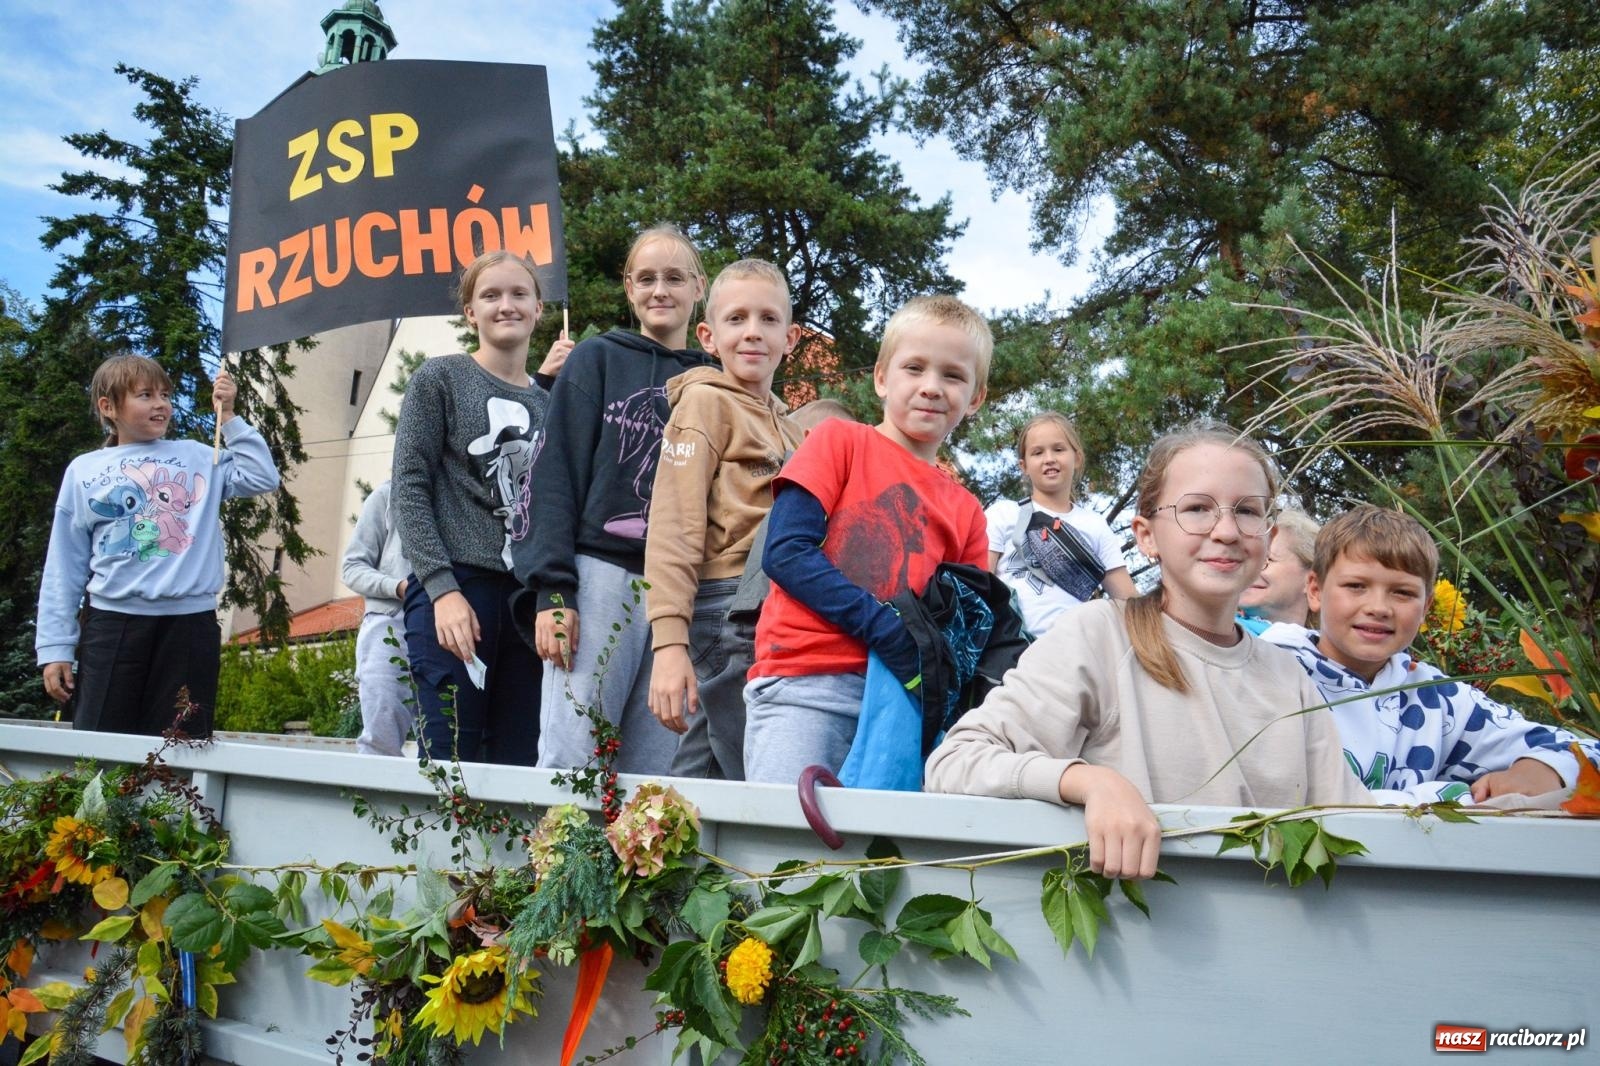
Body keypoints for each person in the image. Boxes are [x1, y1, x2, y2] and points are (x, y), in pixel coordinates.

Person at [925, 422, 1372, 881]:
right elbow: (956, 763)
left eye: (1247, 511)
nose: (1226, 530)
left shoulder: (1288, 676)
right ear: (1146, 535)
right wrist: (1090, 783)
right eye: (1197, 508)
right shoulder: (1100, 636)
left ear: (1268, 535)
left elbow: (1353, 820)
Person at [742, 294, 992, 785]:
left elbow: (965, 628)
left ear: (976, 397)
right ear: (882, 377)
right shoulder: (838, 441)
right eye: (914, 368)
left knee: (879, 857)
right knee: (783, 849)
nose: (931, 388)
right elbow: (786, 553)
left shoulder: (967, 511)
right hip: (804, 683)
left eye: (953, 376)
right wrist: (887, 630)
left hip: (903, 703)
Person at [515, 224, 715, 774]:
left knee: (657, 767)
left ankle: (632, 863)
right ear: (629, 287)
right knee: (573, 754)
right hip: (600, 573)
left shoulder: (713, 381)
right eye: (647, 278)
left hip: (681, 591)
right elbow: (552, 476)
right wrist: (553, 592)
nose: (660, 291)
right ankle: (559, 863)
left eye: (675, 278)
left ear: (698, 286)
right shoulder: (596, 359)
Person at [1261, 504, 1600, 801]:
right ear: (1316, 591)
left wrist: (1542, 768)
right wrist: (1453, 797)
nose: (1378, 607)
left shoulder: (1438, 700)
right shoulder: (1270, 673)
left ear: (1426, 608)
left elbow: (1585, 752)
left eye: (1402, 593)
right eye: (1356, 586)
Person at [36, 354, 280, 737]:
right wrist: (55, 649)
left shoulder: (201, 456)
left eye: (165, 394)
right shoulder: (83, 470)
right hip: (112, 624)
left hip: (189, 626)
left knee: (180, 745)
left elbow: (262, 476)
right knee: (99, 743)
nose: (161, 404)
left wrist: (229, 417)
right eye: (145, 395)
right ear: (108, 407)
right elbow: (63, 567)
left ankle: (174, 802)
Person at [645, 259, 805, 780]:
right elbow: (674, 523)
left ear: (792, 336)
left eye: (768, 319)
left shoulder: (793, 430)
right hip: (726, 605)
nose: (753, 332)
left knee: (706, 764)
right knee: (753, 764)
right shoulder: (704, 405)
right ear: (708, 336)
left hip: (778, 599)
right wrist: (669, 644)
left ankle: (654, 855)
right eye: (736, 319)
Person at [392, 251, 550, 765]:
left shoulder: (550, 406)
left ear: (539, 309)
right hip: (458, 589)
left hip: (526, 602)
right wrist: (441, 590)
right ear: (470, 312)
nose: (506, 305)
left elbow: (554, 509)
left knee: (519, 760)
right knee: (451, 758)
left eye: (518, 294)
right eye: (491, 295)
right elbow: (409, 488)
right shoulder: (440, 378)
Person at [985, 412, 1136, 636]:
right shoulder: (1003, 514)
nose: (1049, 459)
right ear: (1023, 465)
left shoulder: (1094, 525)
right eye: (1038, 452)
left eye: (1058, 449)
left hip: (1072, 652)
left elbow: (1130, 603)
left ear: (1077, 457)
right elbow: (979, 585)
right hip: (1008, 649)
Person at [340, 480, 414, 756]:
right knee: (380, 738)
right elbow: (351, 567)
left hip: (447, 628)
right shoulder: (386, 495)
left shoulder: (460, 498)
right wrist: (397, 586)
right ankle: (372, 800)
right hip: (389, 622)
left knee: (444, 743)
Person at [1237, 508, 1319, 634]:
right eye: (1243, 559)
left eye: (1267, 559)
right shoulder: (1213, 633)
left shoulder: (1322, 649)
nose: (1248, 569)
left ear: (1311, 581)